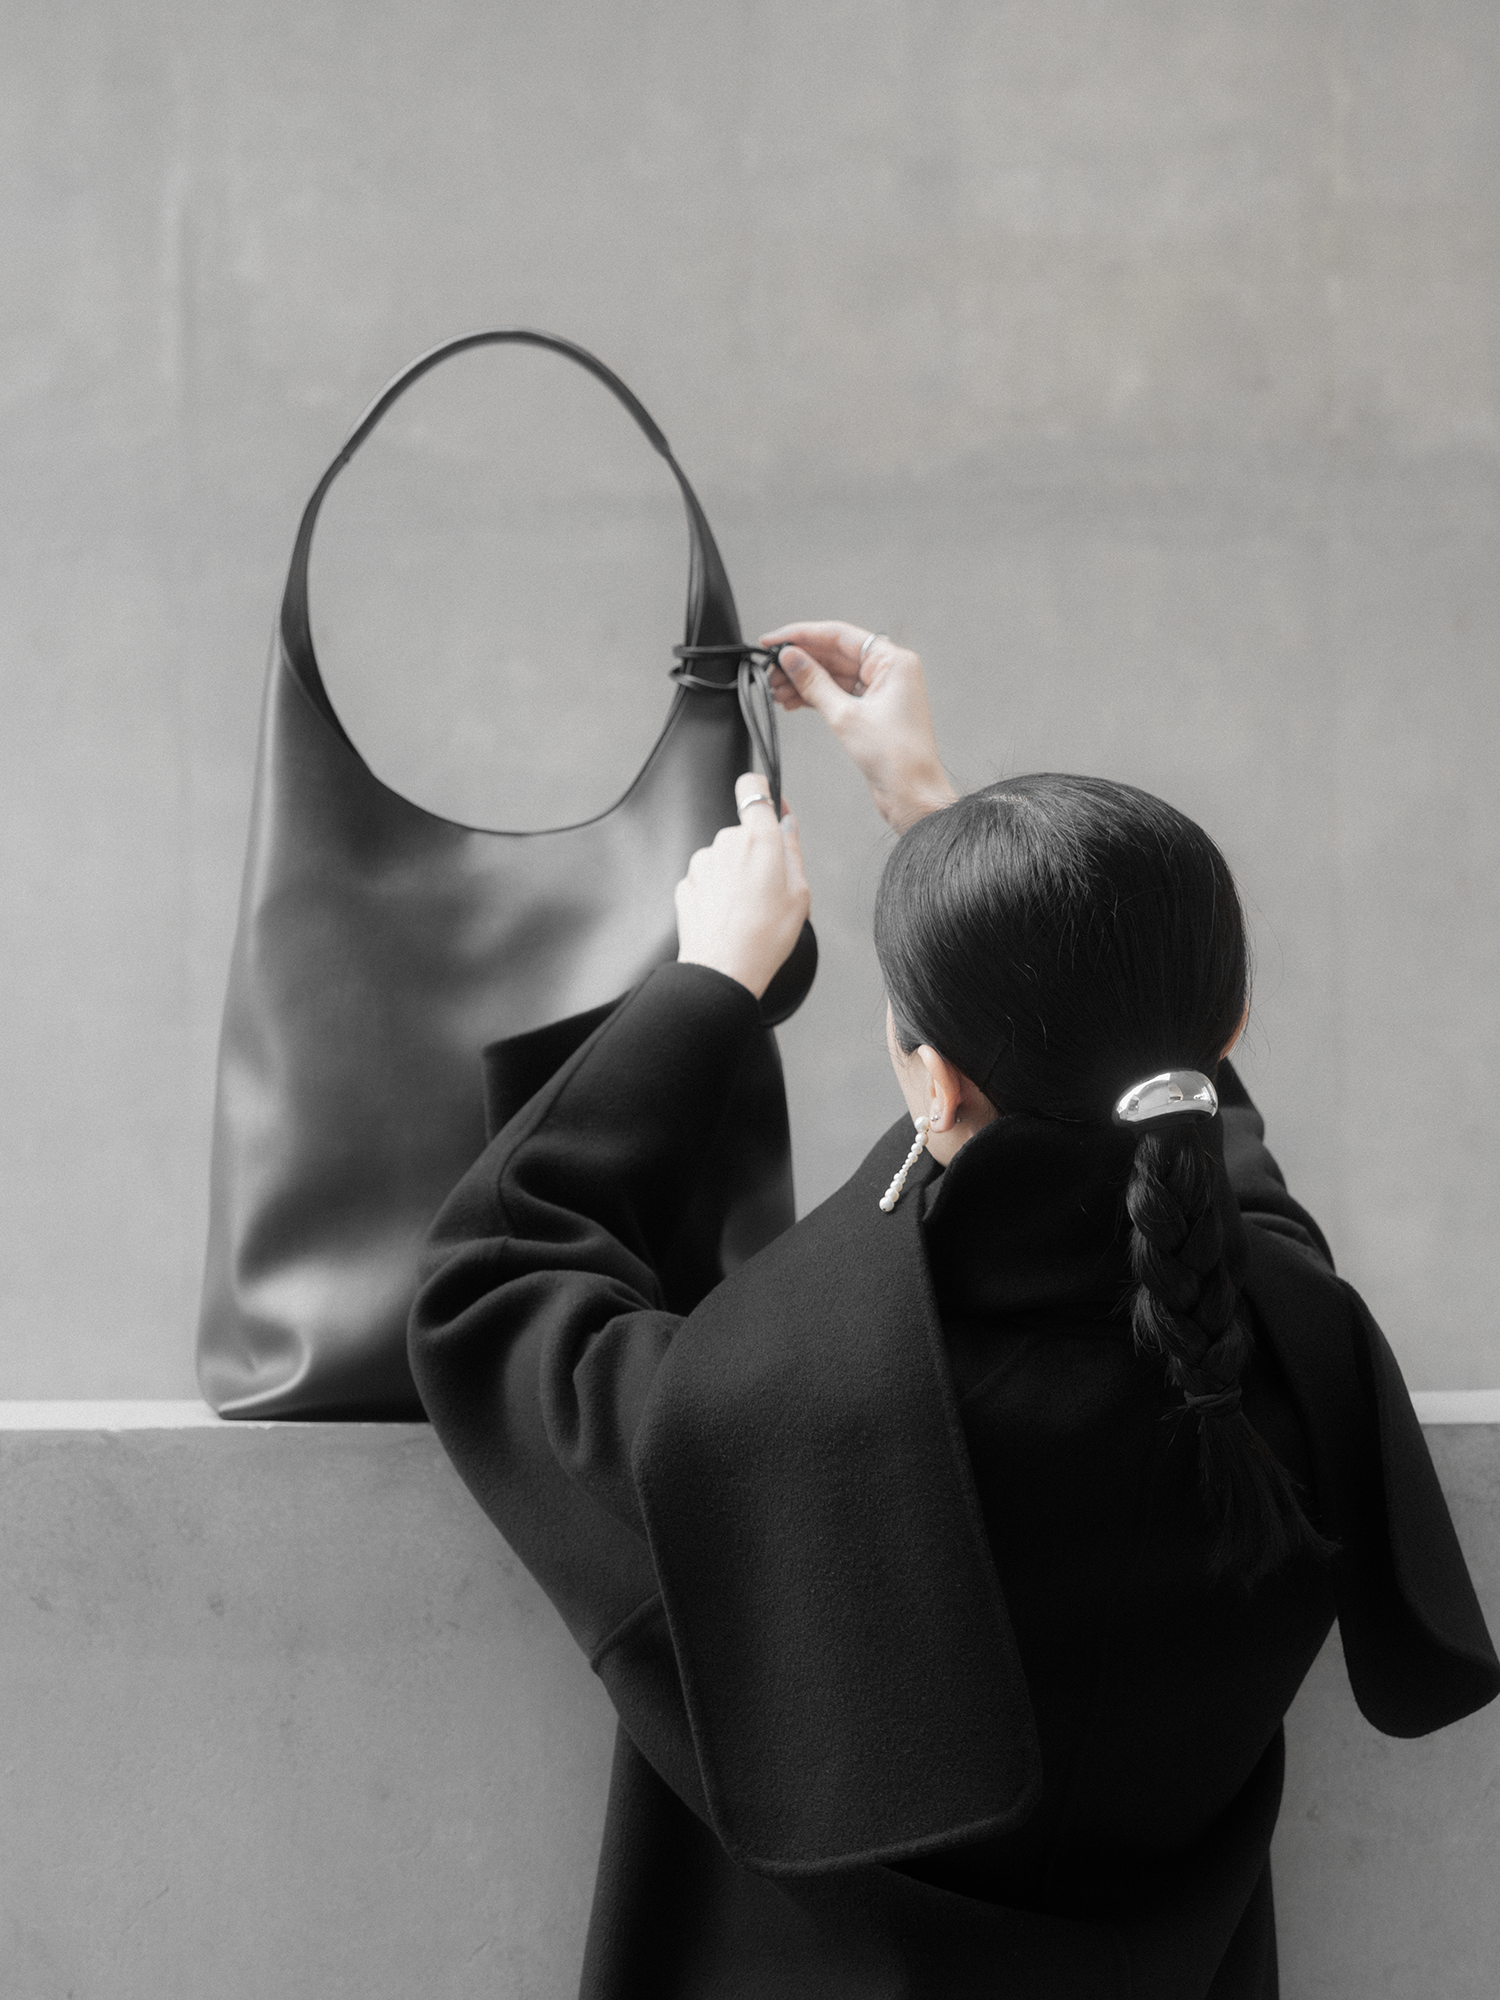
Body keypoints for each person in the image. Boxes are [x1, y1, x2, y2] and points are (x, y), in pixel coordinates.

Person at [408, 622, 1498, 1999]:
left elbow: (492, 1279)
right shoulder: (1284, 1352)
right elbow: (1204, 1150)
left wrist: (711, 980)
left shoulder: (749, 1424)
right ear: (1220, 1043)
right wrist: (943, 822)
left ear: (929, 1082)